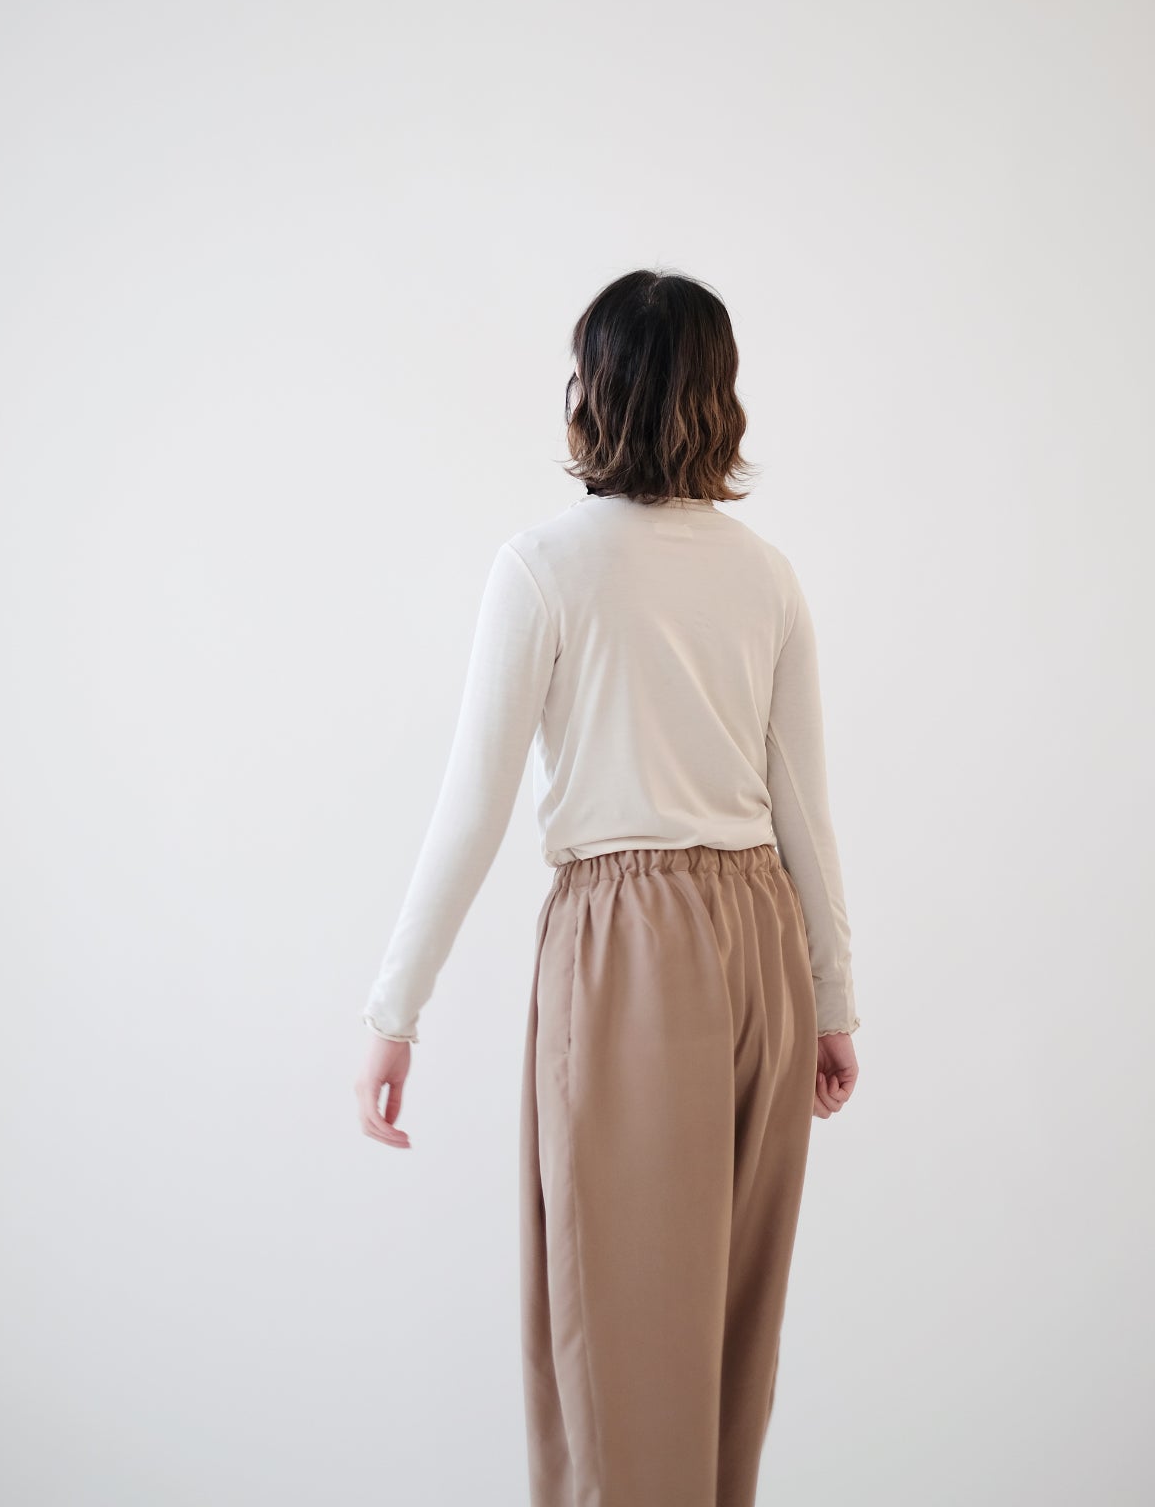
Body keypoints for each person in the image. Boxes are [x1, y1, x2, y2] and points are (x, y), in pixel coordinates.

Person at [354, 267, 861, 1507]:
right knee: (728, 1348)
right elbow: (801, 806)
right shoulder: (765, 574)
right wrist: (831, 998)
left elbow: (473, 805)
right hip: (761, 940)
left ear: (594, 389)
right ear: (718, 395)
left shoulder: (543, 566)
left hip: (628, 949)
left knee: (618, 1349)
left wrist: (392, 1012)